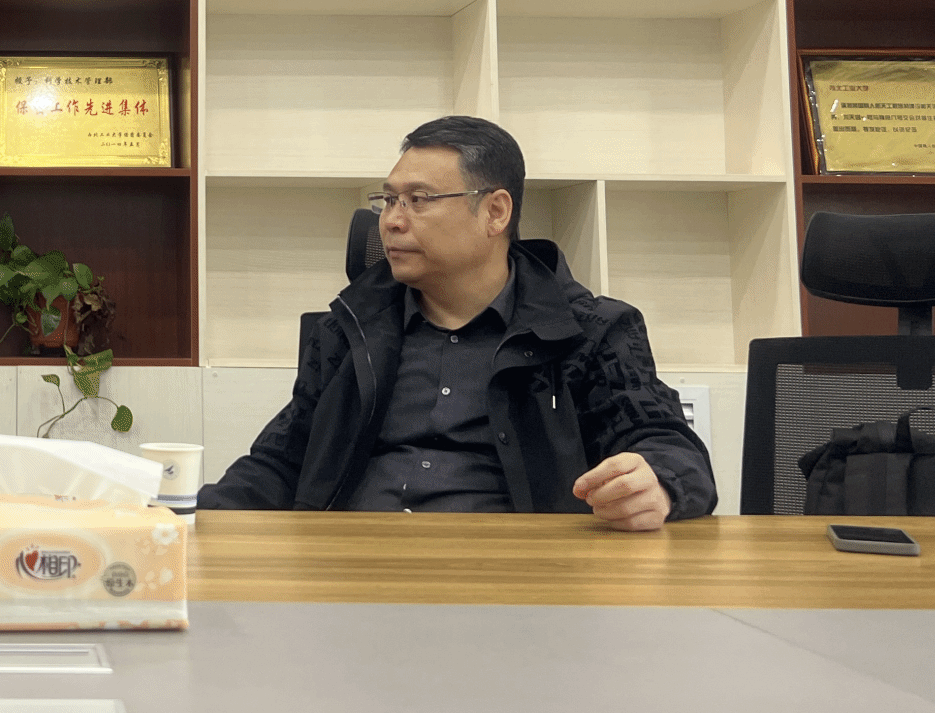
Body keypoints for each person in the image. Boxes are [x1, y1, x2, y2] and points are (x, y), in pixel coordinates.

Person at [200, 115, 713, 529]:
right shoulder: (349, 330)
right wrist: (187, 518)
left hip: (522, 582)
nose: (391, 220)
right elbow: (280, 461)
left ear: (495, 212)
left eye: (419, 200)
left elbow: (670, 446)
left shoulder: (590, 332)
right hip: (351, 571)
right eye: (389, 200)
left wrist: (658, 482)